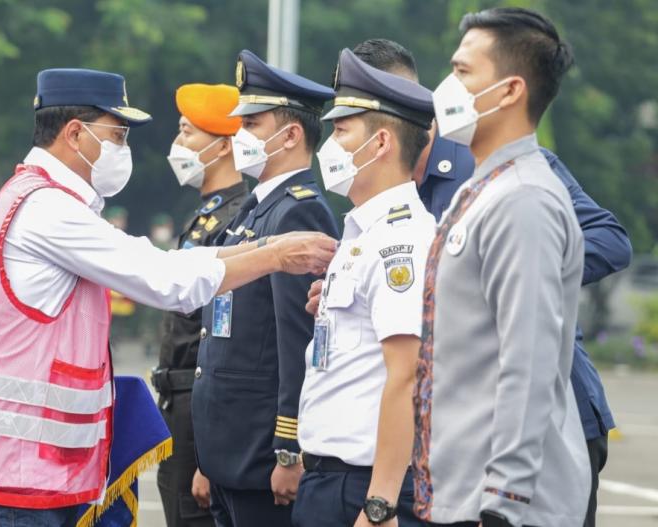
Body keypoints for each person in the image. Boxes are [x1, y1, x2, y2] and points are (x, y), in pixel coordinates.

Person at [0, 67, 336, 526]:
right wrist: (276, 254)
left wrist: (268, 248)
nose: (123, 149)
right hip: (18, 477)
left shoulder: (37, 197)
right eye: (117, 134)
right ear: (75, 133)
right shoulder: (47, 209)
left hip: (30, 470)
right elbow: (163, 277)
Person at [307, 37, 632, 527]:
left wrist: (482, 283)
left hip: (547, 407)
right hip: (461, 424)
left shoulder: (493, 166)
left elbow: (609, 238)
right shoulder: (376, 196)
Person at [411, 8, 588, 526]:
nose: (447, 86)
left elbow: (526, 361)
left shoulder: (524, 199)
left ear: (510, 91)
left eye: (463, 71)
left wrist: (504, 500)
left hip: (501, 507)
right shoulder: (484, 188)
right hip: (459, 493)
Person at [192, 50, 340, 527]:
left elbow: (296, 336)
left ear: (291, 134)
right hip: (229, 450)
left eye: (252, 125)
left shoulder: (298, 211)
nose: (240, 136)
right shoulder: (255, 210)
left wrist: (288, 446)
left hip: (261, 454)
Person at [291, 49, 435, 527]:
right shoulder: (363, 232)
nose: (328, 145)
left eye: (340, 130)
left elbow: (406, 376)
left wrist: (379, 505)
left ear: (379, 143)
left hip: (364, 488)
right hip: (329, 481)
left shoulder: (401, 239)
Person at [155, 83, 249, 527]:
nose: (179, 145)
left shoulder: (234, 218)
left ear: (223, 145)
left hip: (199, 395)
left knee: (191, 515)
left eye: (188, 133)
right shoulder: (207, 214)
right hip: (179, 394)